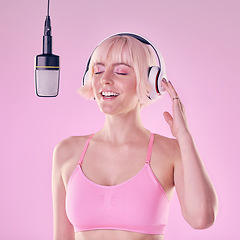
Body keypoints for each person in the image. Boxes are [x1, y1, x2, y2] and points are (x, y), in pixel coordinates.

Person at [52, 33, 218, 240]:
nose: (105, 79)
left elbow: (201, 218)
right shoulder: (66, 152)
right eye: (99, 70)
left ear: (150, 82)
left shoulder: (171, 152)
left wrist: (184, 137)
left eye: (121, 72)